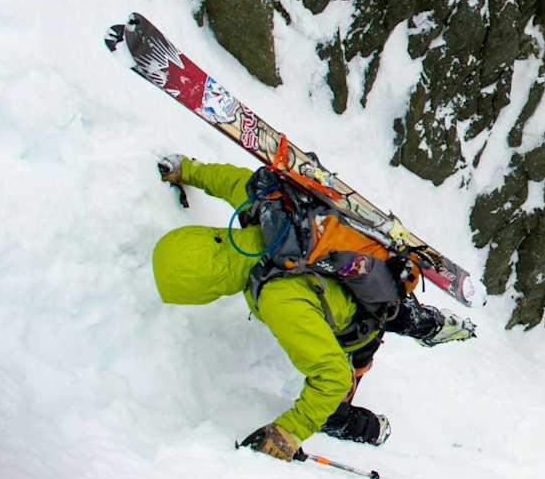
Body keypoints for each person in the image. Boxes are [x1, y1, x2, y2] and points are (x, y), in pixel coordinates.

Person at [150, 155, 475, 461]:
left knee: (329, 412)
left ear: (206, 290)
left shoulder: (278, 299)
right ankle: (434, 325)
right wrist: (187, 169)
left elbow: (332, 377)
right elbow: (230, 180)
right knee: (400, 312)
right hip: (371, 274)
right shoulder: (264, 214)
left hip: (360, 329)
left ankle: (376, 430)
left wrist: (289, 432)